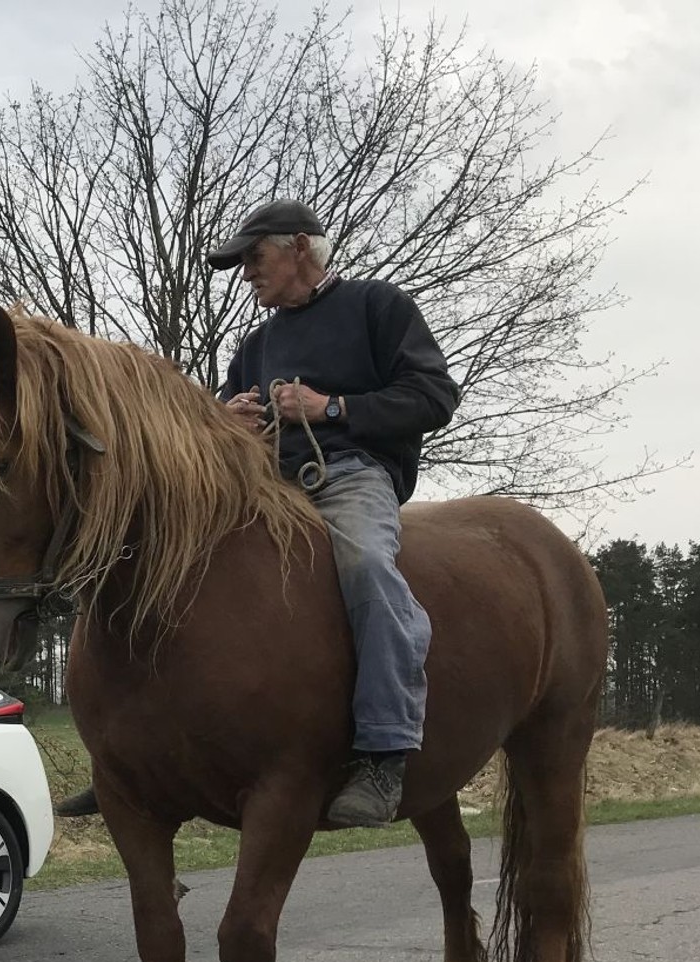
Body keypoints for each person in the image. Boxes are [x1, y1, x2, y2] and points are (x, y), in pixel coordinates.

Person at [55, 199, 459, 828]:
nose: (246, 272)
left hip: (350, 478)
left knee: (368, 567)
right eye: (241, 261)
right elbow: (214, 427)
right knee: (151, 551)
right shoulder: (257, 344)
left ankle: (384, 753)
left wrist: (330, 408)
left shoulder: (379, 308)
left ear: (301, 247)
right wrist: (226, 422)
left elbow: (434, 395)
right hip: (260, 484)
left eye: (255, 256)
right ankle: (128, 760)